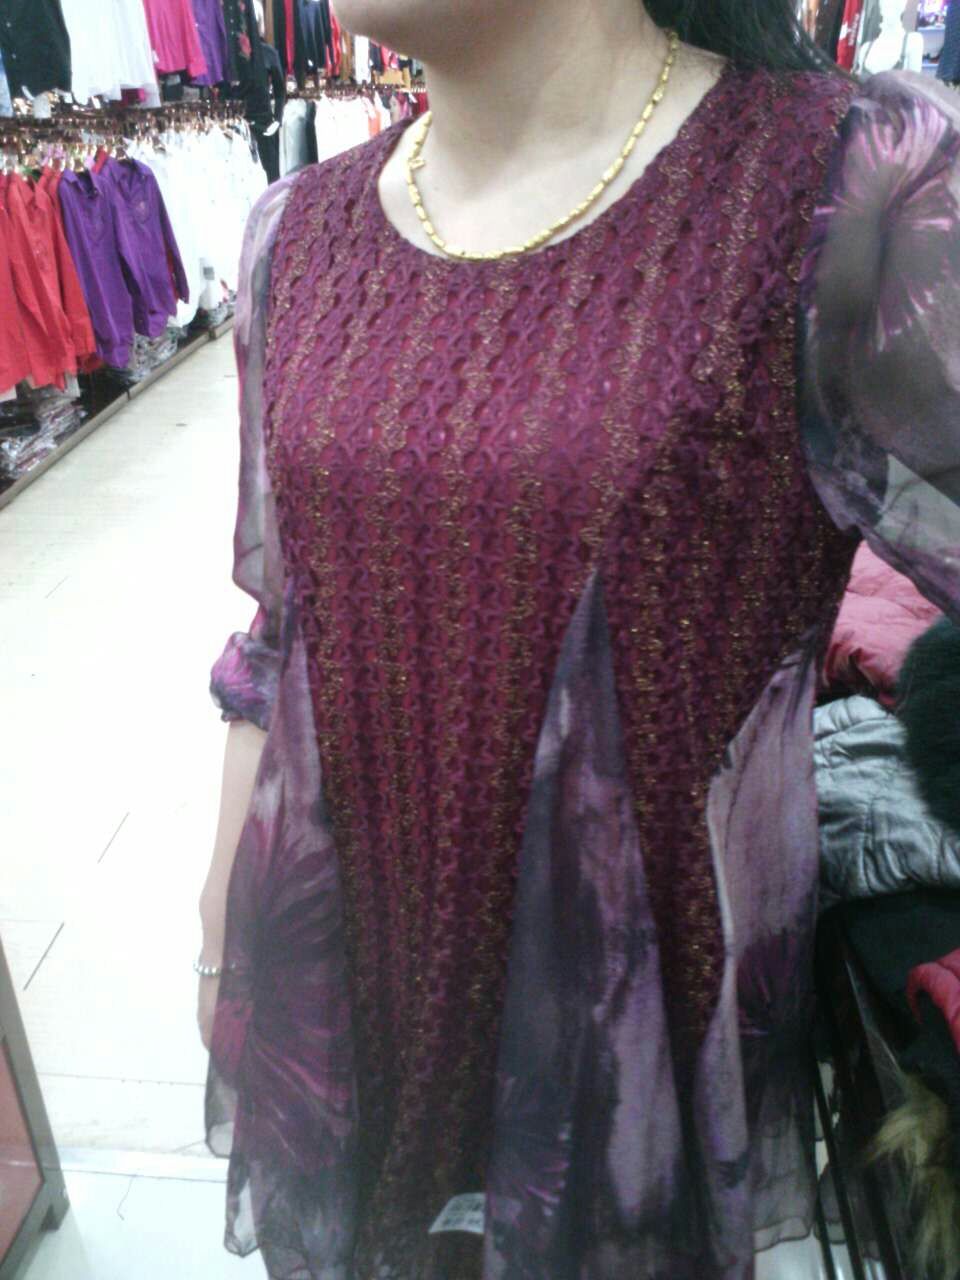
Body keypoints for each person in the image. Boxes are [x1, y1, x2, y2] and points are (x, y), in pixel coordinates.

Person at [196, 1, 960, 1276]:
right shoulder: (298, 230)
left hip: (617, 1058)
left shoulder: (835, 182)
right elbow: (285, 622)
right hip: (347, 987)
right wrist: (222, 926)